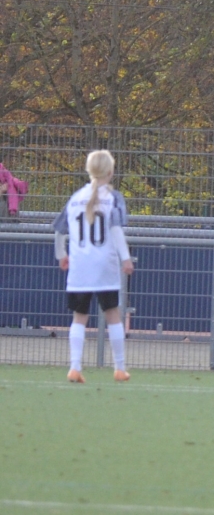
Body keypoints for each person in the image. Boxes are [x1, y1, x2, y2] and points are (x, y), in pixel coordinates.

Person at [55, 150, 133, 384]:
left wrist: (61, 255)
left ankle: (74, 367)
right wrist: (126, 258)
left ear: (89, 171)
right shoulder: (113, 198)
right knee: (113, 314)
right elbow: (116, 230)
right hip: (104, 265)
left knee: (79, 316)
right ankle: (120, 368)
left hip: (80, 265)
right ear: (110, 172)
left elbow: (59, 231)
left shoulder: (75, 198)